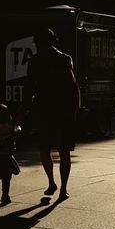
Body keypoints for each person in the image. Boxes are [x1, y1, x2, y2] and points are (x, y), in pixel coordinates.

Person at [24, 28, 80, 201]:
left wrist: (24, 108)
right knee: (64, 151)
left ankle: (51, 183)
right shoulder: (64, 58)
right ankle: (63, 188)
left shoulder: (35, 61)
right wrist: (75, 109)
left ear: (39, 43)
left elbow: (29, 87)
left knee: (44, 149)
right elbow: (73, 86)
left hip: (44, 110)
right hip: (63, 111)